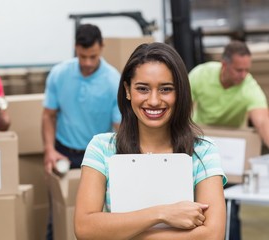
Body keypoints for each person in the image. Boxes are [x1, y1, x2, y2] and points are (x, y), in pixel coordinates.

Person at [74, 42, 227, 239]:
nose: (154, 100)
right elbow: (84, 228)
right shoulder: (102, 148)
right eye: (143, 89)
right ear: (128, 90)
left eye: (165, 89)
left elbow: (212, 235)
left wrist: (123, 233)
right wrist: (162, 213)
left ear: (180, 93)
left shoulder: (203, 151)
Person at [42, 23, 121, 240]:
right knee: (57, 214)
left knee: (97, 216)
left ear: (101, 48)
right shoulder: (59, 74)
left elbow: (120, 127)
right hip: (63, 155)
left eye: (92, 56)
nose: (87, 63)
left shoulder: (114, 80)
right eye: (82, 56)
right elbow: (48, 115)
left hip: (98, 157)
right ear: (75, 48)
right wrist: (49, 149)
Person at [188, 40, 268, 240]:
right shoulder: (201, 74)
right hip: (201, 144)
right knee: (198, 205)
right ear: (224, 65)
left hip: (232, 152)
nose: (244, 75)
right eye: (239, 70)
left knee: (229, 205)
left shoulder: (248, 86)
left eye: (247, 70)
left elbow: (262, 122)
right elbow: (183, 109)